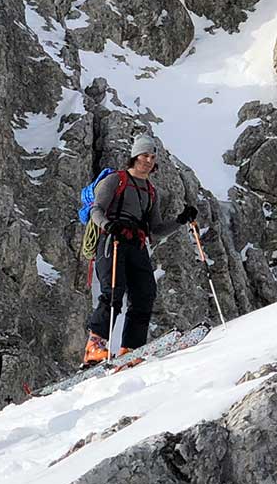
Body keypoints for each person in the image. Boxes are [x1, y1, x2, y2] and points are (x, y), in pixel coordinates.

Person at [84, 134, 196, 364]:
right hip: (112, 240)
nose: (149, 160)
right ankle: (95, 347)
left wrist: (181, 220)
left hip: (136, 244)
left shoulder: (150, 191)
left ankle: (131, 349)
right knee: (113, 292)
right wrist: (109, 225)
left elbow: (155, 229)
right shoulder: (116, 180)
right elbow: (96, 210)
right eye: (145, 155)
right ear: (135, 156)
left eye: (152, 156)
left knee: (145, 294)